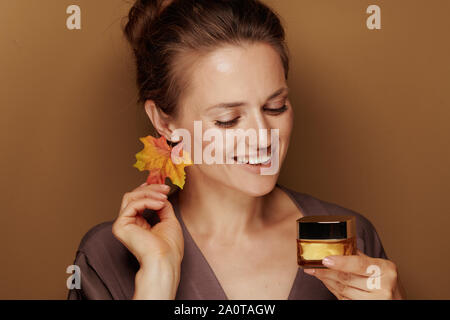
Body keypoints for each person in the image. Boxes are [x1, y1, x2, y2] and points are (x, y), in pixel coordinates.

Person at [68, 0, 405, 300]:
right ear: (165, 122)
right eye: (228, 120)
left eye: (276, 107)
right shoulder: (107, 257)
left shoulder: (349, 236)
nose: (262, 138)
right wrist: (157, 280)